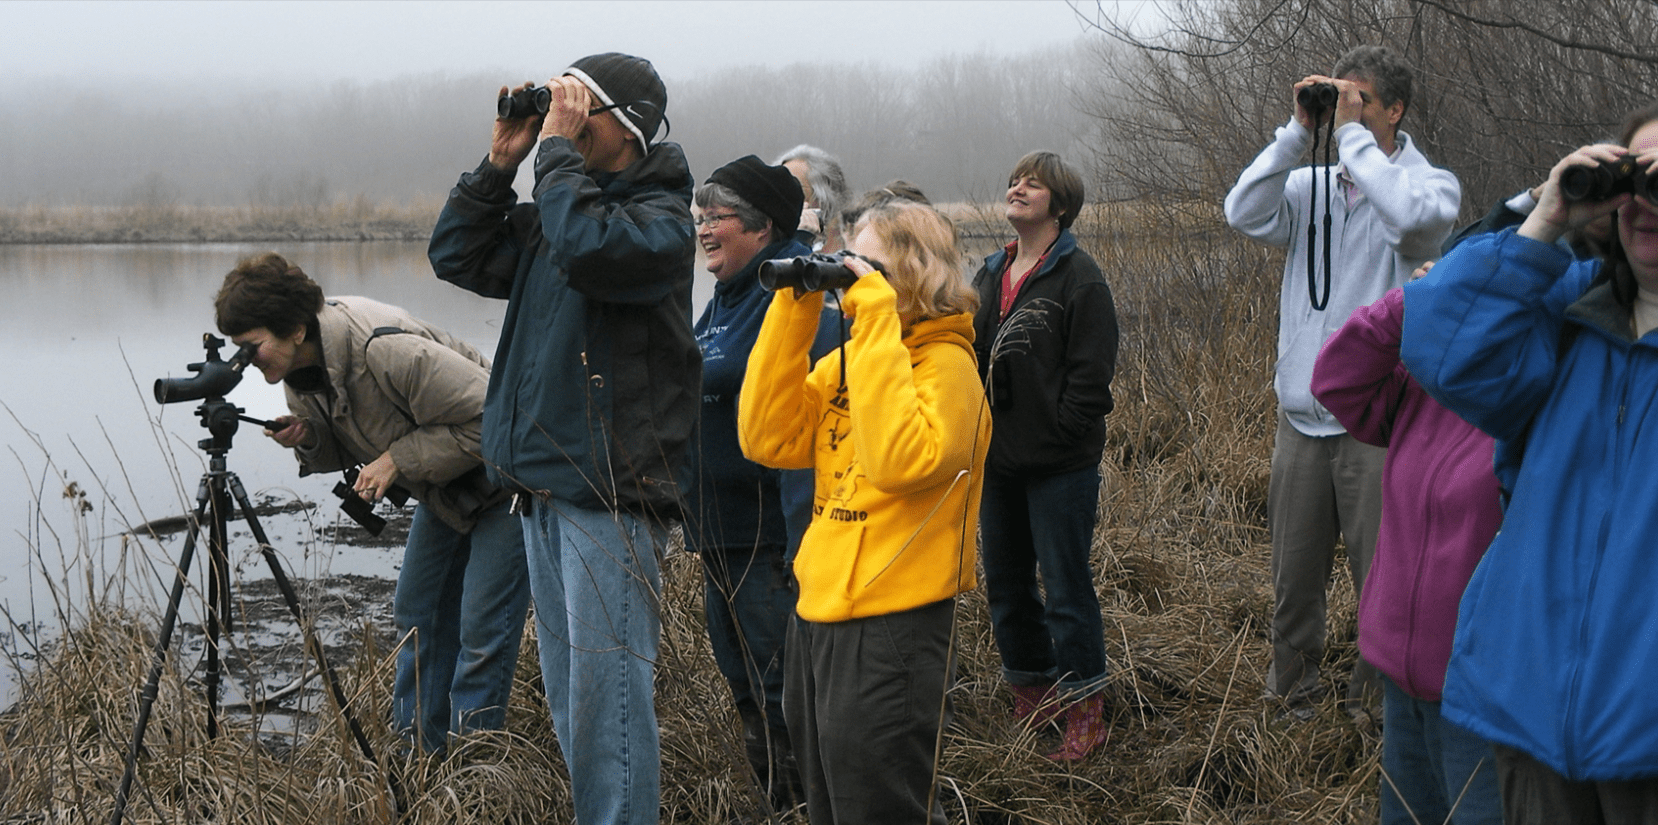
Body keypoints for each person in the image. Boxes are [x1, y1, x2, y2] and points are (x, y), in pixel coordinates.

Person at [426, 52, 698, 825]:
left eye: (581, 108)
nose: (563, 119)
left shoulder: (658, 222)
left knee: (609, 711)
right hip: (545, 489)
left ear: (630, 125)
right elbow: (456, 254)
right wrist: (498, 164)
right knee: (577, 709)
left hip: (610, 495)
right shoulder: (562, 206)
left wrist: (550, 160)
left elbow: (589, 250)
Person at [1400, 102, 1658, 824]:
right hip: (1535, 711)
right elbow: (1445, 351)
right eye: (1636, 177)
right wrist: (1546, 218)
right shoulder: (1568, 311)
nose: (1647, 203)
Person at [1222, 44, 1461, 720]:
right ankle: (1292, 696)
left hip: (1380, 422)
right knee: (1294, 579)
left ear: (1394, 109)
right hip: (1301, 415)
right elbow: (1240, 210)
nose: (1346, 109)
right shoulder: (1312, 186)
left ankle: (1378, 711)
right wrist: (1299, 133)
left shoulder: (1426, 186)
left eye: (1361, 99)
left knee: (1382, 579)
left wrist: (1352, 137)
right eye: (1340, 97)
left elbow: (1413, 221)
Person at [212, 252, 530, 756]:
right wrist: (309, 437)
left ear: (295, 328)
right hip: (447, 485)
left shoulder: (383, 350)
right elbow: (353, 435)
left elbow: (499, 418)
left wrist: (397, 461)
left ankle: (475, 767)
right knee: (417, 613)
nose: (248, 361)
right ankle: (416, 756)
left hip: (511, 482)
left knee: (483, 626)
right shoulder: (302, 371)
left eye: (252, 347)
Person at [738, 200, 991, 825]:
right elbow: (766, 437)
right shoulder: (852, 361)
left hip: (894, 625)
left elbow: (900, 463)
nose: (850, 279)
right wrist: (793, 309)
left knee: (879, 808)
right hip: (819, 610)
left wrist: (875, 317)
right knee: (827, 803)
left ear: (912, 272)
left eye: (868, 267)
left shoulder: (950, 369)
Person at [1311, 267, 1503, 825]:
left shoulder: (1537, 395)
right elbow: (1336, 381)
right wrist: (1411, 302)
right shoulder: (1429, 380)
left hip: (1481, 689)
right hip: (1401, 671)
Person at [969, 151, 1119, 760]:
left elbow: (1093, 378)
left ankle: (1086, 707)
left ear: (1060, 204)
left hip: (1060, 468)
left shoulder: (1079, 276)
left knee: (1065, 588)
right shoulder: (986, 272)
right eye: (1013, 180)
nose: (1018, 187)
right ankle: (1032, 699)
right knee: (1006, 587)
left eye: (1033, 182)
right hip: (996, 466)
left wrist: (1061, 433)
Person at [685, 154, 813, 812]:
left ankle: (802, 805)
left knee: (778, 690)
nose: (703, 228)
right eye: (698, 215)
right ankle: (776, 803)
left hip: (766, 539)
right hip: (716, 536)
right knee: (744, 687)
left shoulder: (786, 294)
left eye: (717, 216)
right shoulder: (723, 301)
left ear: (762, 226)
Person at [774, 144, 851, 252]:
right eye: (778, 190)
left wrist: (800, 240)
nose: (781, 199)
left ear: (823, 202)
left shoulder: (848, 248)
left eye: (793, 190)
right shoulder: (761, 240)